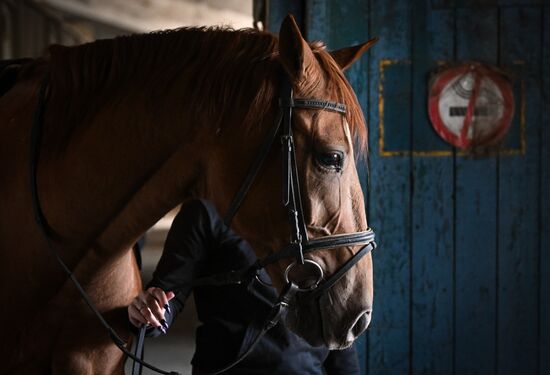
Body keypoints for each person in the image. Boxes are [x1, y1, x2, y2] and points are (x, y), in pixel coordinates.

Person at [128, 199, 360, 375]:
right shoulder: (206, 210)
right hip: (227, 368)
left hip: (304, 368)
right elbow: (168, 297)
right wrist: (149, 312)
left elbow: (335, 316)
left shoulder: (315, 209)